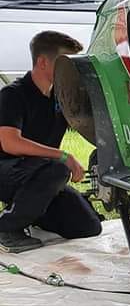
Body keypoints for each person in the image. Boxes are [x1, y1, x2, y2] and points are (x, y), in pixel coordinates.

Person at [0, 31, 101, 252]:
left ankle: (29, 214)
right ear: (43, 62)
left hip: (41, 176)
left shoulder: (61, 97)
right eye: (65, 63)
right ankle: (5, 228)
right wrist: (64, 156)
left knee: (88, 226)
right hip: (7, 171)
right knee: (58, 169)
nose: (71, 70)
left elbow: (89, 123)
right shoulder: (13, 94)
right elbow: (10, 143)